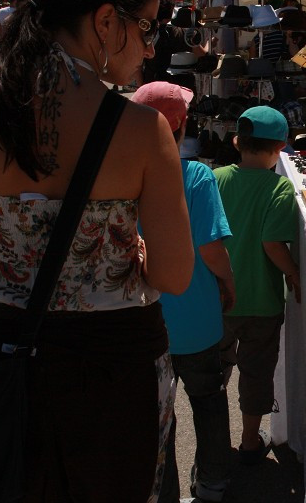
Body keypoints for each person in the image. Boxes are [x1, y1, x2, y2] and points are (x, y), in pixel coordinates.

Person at [0, 0, 194, 502]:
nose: (150, 47)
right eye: (146, 27)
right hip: (113, 364)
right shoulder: (143, 130)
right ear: (105, 21)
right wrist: (136, 256)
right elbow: (175, 276)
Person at [131, 82, 236, 503]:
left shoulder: (123, 176)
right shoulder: (196, 175)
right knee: (209, 403)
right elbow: (211, 248)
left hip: (145, 319)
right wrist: (228, 281)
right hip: (196, 321)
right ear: (182, 125)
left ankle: (165, 490)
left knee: (157, 418)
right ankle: (211, 484)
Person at [213, 106, 299, 466]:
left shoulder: (215, 178)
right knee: (256, 374)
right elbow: (272, 245)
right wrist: (294, 274)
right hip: (262, 303)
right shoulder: (279, 187)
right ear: (279, 147)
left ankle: (214, 441)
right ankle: (250, 442)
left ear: (237, 142)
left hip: (217, 298)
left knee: (214, 372)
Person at [142, 0, 209, 84]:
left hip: (151, 84)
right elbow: (202, 54)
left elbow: (138, 67)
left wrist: (142, 87)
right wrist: (210, 42)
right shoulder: (181, 33)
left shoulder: (146, 33)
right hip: (178, 86)